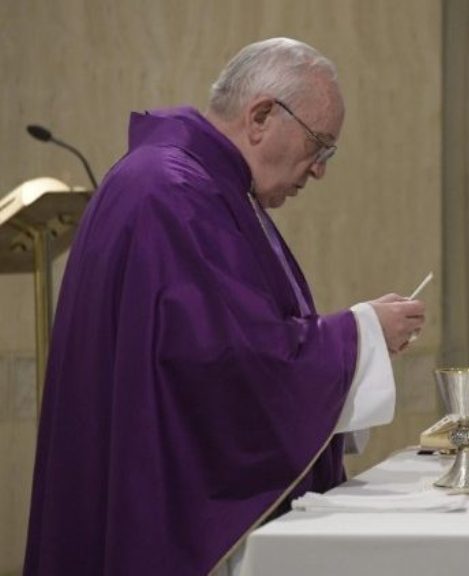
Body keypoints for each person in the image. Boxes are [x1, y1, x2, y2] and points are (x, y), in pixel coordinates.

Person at [23, 38, 425, 576]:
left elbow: (232, 346)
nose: (319, 170)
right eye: (319, 146)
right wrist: (362, 335)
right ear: (260, 117)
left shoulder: (197, 186)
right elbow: (224, 370)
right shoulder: (172, 193)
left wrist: (355, 343)